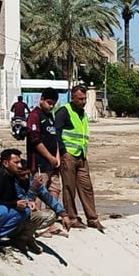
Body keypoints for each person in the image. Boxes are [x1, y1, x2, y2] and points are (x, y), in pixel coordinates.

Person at [56, 84, 103, 231]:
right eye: (80, 99)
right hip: (68, 155)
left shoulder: (82, 113)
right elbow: (56, 132)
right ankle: (71, 217)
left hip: (81, 155)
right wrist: (62, 151)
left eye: (85, 99)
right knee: (69, 187)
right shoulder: (64, 111)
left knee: (86, 187)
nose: (83, 102)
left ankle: (92, 218)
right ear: (73, 97)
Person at [11, 162, 73, 253]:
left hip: (25, 215)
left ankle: (26, 237)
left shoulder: (31, 181)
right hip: (15, 215)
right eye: (23, 175)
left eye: (28, 174)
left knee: (51, 214)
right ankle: (19, 237)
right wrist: (33, 189)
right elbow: (24, 203)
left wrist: (64, 214)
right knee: (35, 214)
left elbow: (49, 198)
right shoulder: (12, 183)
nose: (26, 177)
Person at [26, 87, 65, 202]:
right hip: (39, 164)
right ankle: (38, 218)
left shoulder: (50, 117)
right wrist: (49, 157)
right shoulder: (34, 116)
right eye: (49, 103)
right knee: (39, 192)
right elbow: (35, 141)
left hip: (53, 164)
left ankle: (52, 217)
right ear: (42, 99)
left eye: (53, 104)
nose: (51, 106)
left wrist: (57, 157)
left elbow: (55, 138)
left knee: (55, 188)